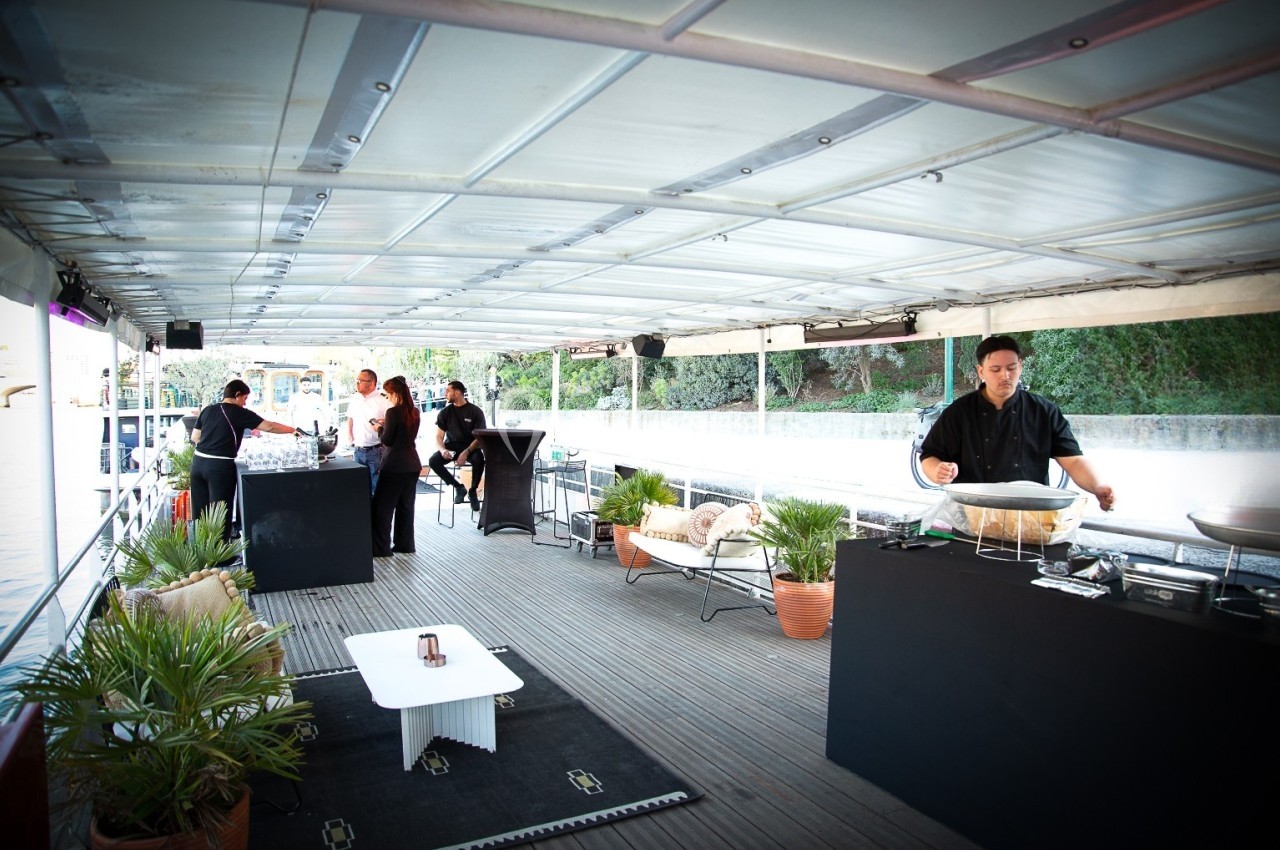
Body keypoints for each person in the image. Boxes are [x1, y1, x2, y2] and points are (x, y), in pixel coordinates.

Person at [919, 335, 1115, 511]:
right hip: (972, 512)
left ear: (1020, 366)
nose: (1005, 375)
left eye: (1011, 368)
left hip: (1030, 512)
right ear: (981, 371)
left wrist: (1096, 486)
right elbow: (930, 454)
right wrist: (937, 470)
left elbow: (1073, 460)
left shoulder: (1043, 411)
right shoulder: (960, 411)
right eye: (995, 369)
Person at [190, 379, 300, 543]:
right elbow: (269, 427)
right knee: (220, 510)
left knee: (200, 510)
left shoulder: (208, 410)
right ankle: (220, 555)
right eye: (245, 398)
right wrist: (292, 430)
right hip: (219, 466)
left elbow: (195, 437)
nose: (245, 402)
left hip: (197, 463)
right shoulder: (238, 412)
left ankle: (198, 550)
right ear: (237, 395)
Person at [371, 375, 422, 557]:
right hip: (412, 463)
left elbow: (387, 440)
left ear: (394, 393)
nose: (387, 397)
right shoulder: (414, 412)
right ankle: (405, 544)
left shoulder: (393, 412)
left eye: (387, 394)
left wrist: (379, 428)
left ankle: (381, 548)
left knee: (382, 507)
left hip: (394, 465)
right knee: (405, 506)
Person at [427, 380, 486, 511]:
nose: (445, 394)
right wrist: (442, 450)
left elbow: (479, 437)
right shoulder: (445, 413)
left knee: (479, 459)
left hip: (471, 446)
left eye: (448, 391)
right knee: (433, 461)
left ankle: (473, 491)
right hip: (451, 447)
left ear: (458, 392)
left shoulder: (475, 412)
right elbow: (439, 437)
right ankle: (458, 487)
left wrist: (467, 452)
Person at [345, 368, 391, 495]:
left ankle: (378, 514)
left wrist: (385, 423)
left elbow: (393, 421)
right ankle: (364, 514)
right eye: (357, 380)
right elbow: (350, 418)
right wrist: (350, 435)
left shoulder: (384, 399)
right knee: (359, 487)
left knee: (378, 487)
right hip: (358, 450)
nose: (357, 383)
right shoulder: (355, 398)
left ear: (371, 383)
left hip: (377, 450)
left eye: (361, 380)